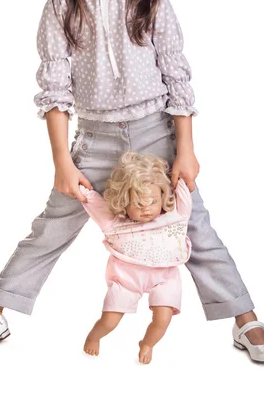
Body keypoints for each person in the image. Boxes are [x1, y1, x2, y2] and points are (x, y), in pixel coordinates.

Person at [0, 0, 264, 364]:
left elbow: (178, 78)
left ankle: (245, 320)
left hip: (155, 134)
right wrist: (62, 163)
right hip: (93, 142)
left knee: (194, 228)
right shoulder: (62, 7)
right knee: (52, 227)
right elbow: (54, 90)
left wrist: (186, 149)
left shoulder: (150, 1)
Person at [80, 151, 193, 365]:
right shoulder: (114, 224)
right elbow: (90, 198)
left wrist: (182, 164)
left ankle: (147, 343)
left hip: (165, 277)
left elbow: (183, 182)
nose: (146, 208)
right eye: (138, 203)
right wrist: (73, 179)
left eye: (152, 201)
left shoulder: (176, 216)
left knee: (163, 318)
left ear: (163, 197)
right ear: (123, 201)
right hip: (126, 280)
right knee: (109, 320)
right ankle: (93, 336)